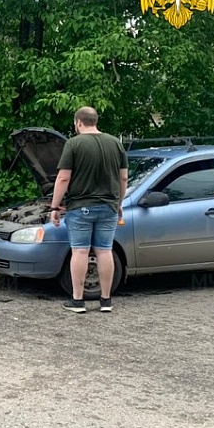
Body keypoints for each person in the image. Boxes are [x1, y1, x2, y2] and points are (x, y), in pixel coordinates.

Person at [50, 106, 128, 313]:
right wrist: (119, 203)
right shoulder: (115, 143)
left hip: (81, 207)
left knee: (80, 251)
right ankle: (106, 300)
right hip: (109, 206)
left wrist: (55, 206)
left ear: (78, 122)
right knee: (104, 250)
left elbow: (63, 178)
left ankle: (78, 301)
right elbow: (123, 178)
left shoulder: (74, 144)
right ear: (95, 121)